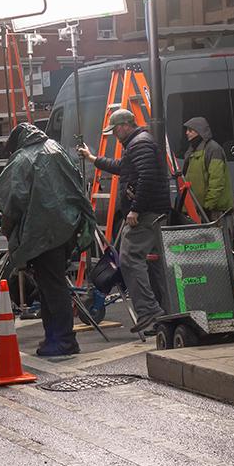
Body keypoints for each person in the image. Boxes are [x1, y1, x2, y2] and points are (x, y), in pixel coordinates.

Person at [0, 123, 95, 357]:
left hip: (40, 233)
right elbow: (77, 184)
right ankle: (54, 337)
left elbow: (11, 201)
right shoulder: (56, 149)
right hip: (66, 228)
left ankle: (64, 339)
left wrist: (9, 231)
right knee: (52, 285)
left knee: (53, 287)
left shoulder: (22, 160)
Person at [78, 109, 172, 334]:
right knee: (157, 266)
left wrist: (136, 210)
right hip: (155, 212)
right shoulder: (138, 143)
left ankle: (150, 313)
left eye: (115, 130)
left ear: (124, 126)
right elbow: (123, 167)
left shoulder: (139, 144)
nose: (115, 135)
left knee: (129, 259)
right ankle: (165, 315)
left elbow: (147, 177)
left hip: (146, 213)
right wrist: (94, 160)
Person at [182, 117, 233, 220]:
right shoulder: (192, 149)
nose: (187, 133)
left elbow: (216, 181)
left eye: (190, 130)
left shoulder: (213, 149)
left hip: (213, 212)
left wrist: (208, 206)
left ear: (199, 131)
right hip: (199, 210)